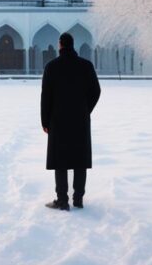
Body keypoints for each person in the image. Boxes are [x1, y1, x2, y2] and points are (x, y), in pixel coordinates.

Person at [40, 32, 101, 211]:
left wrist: (45, 120)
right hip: (80, 120)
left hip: (57, 120)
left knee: (61, 161)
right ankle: (78, 199)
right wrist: (85, 109)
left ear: (60, 45)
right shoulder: (86, 66)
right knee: (79, 160)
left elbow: (46, 96)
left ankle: (62, 200)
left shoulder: (52, 67)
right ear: (73, 45)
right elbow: (96, 91)